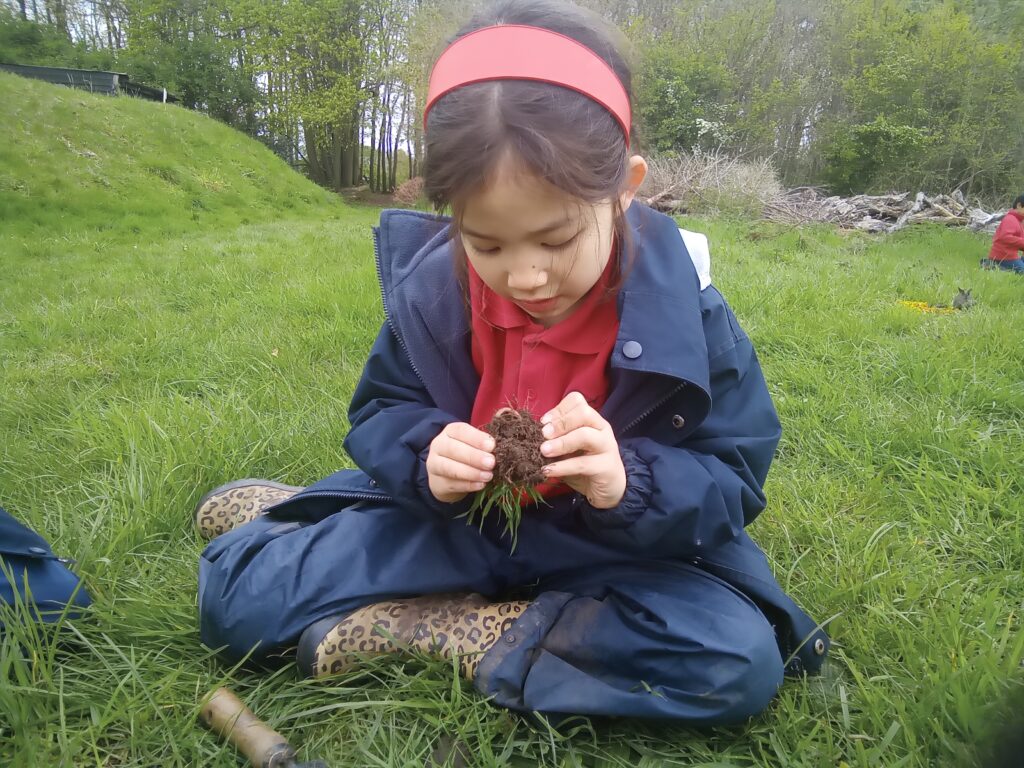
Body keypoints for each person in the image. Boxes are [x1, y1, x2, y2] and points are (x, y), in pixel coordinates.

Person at [195, 0, 829, 724]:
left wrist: (629, 483)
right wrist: (425, 457)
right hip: (461, 526)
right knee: (234, 599)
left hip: (604, 547)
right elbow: (382, 410)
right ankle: (298, 512)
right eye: (487, 245)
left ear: (624, 187)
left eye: (556, 239)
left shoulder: (691, 313)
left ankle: (447, 631)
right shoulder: (434, 293)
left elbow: (734, 478)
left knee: (733, 665)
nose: (525, 277)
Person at [982, 194, 1024, 273]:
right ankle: (992, 265)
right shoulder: (1010, 219)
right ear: (1019, 205)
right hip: (1003, 257)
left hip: (1011, 255)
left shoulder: (1019, 221)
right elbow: (1005, 237)